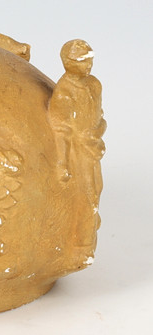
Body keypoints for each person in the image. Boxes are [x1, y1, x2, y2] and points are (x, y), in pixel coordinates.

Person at [49, 39, 106, 248]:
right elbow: (61, 131)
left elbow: (99, 116)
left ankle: (87, 233)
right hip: (76, 151)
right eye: (82, 61)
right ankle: (81, 244)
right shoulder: (64, 93)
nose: (88, 65)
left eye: (89, 60)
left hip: (93, 148)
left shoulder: (94, 85)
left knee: (96, 189)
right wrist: (62, 163)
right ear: (68, 63)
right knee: (85, 195)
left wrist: (97, 132)